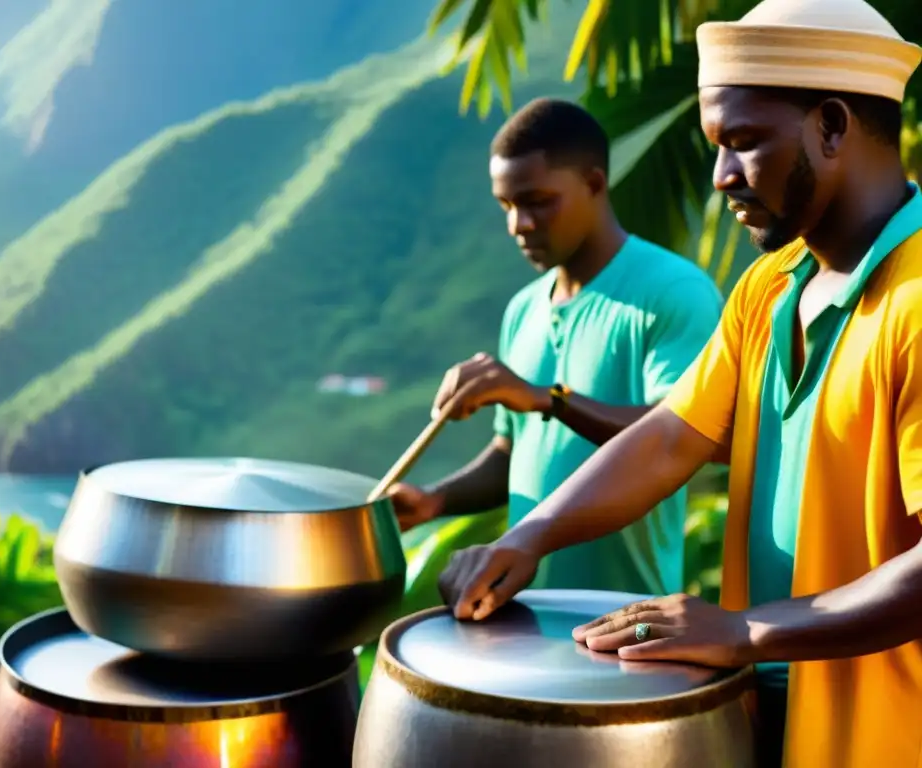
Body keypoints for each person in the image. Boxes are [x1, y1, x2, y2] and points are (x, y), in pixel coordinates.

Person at [434, 1, 922, 767]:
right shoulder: (770, 290)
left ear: (832, 125)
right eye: (714, 146)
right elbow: (670, 437)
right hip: (768, 717)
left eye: (745, 143)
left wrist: (746, 630)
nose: (722, 175)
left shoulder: (916, 303)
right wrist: (529, 536)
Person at [391, 97, 722, 599]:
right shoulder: (524, 309)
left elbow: (678, 436)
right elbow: (513, 451)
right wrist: (436, 501)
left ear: (594, 184)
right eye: (506, 205)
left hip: (625, 619)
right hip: (522, 613)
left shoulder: (673, 293)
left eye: (537, 201)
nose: (518, 224)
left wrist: (549, 398)